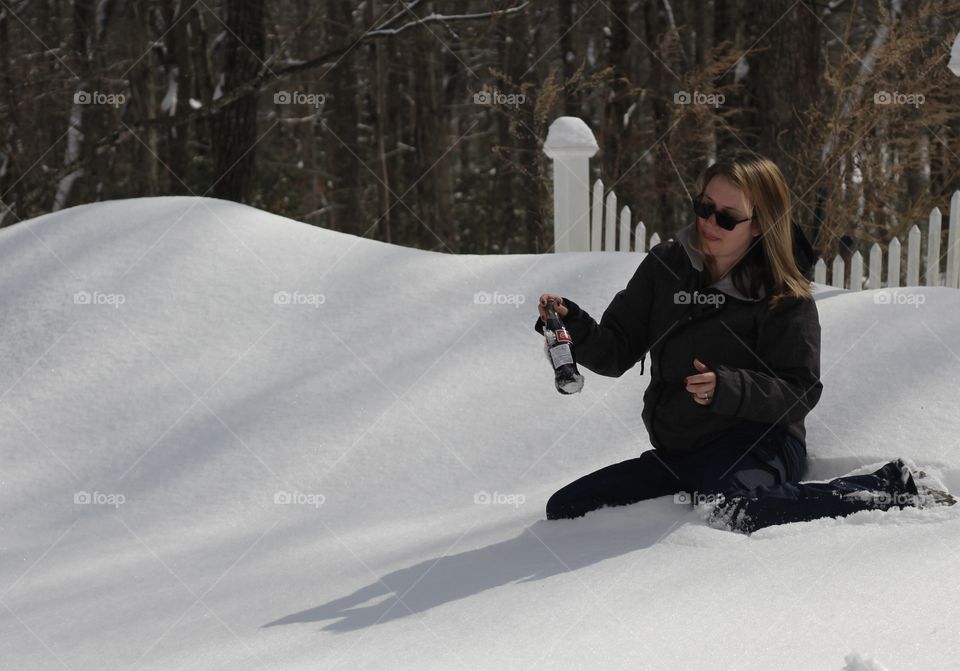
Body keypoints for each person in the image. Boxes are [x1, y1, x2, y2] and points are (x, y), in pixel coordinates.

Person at [534, 153, 954, 534]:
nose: (709, 223)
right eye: (704, 209)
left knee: (732, 509)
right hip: (680, 448)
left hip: (758, 444)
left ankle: (889, 488)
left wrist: (727, 388)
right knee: (568, 506)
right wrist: (577, 327)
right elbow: (616, 352)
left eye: (727, 217)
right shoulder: (666, 265)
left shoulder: (784, 293)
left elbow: (800, 390)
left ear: (759, 223)